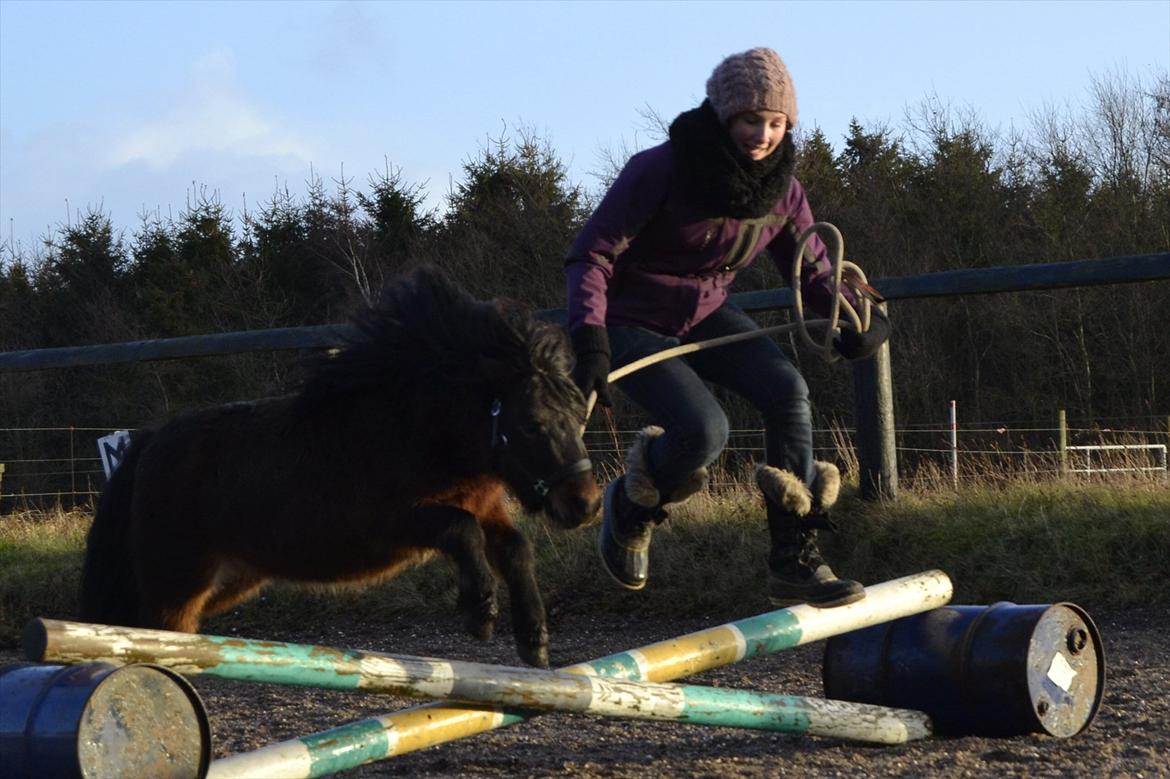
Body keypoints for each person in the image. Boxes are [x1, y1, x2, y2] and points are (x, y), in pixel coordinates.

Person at [564, 47, 890, 607]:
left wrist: (858, 318)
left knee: (789, 390)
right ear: (722, 117)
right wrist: (590, 338)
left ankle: (794, 558)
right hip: (629, 319)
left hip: (707, 312)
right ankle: (631, 504)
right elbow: (590, 255)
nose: (763, 135)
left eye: (776, 123)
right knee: (705, 431)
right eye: (750, 121)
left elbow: (815, 268)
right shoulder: (659, 170)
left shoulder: (784, 191)